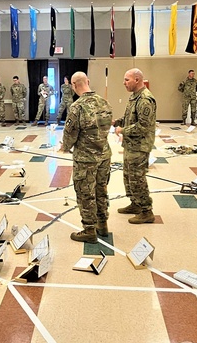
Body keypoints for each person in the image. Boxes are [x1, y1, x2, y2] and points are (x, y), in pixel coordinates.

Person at [60, 72, 113, 242]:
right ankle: (103, 225)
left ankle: (89, 230)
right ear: (88, 82)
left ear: (74, 85)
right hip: (104, 155)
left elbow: (70, 133)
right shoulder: (104, 102)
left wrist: (65, 147)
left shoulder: (77, 107)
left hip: (86, 158)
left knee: (85, 193)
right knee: (101, 190)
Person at [113, 68, 156, 224]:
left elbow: (143, 126)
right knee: (129, 177)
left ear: (137, 80)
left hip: (140, 146)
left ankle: (146, 211)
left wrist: (122, 130)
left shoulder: (145, 99)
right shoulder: (134, 97)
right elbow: (129, 118)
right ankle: (135, 204)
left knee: (137, 178)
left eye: (127, 80)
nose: (124, 83)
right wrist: (117, 122)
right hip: (131, 144)